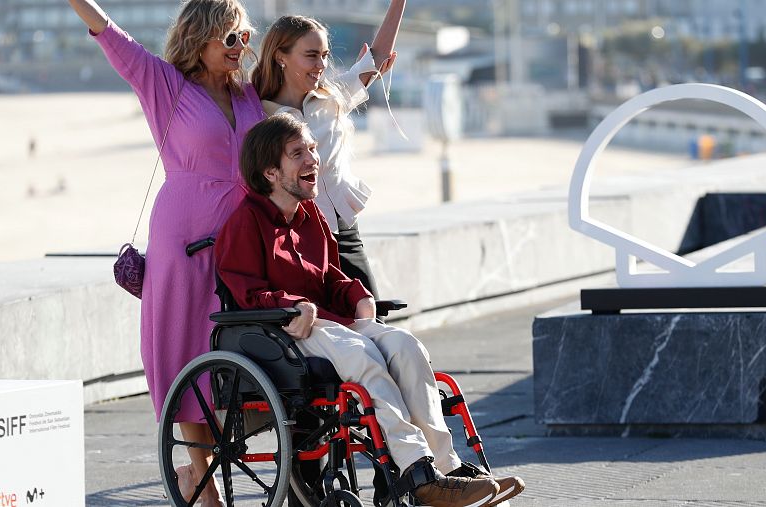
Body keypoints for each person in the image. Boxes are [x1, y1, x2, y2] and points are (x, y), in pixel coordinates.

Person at [215, 114, 525, 507]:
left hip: (334, 325)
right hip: (285, 335)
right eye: (299, 154)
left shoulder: (312, 218)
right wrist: (293, 307)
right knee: (362, 355)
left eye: (312, 149)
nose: (313, 159)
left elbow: (330, 279)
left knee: (405, 345)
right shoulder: (244, 222)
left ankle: (444, 468)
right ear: (271, 172)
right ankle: (417, 471)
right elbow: (247, 293)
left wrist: (358, 296)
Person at [66, 0, 267, 504]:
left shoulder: (249, 95)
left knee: (242, 353)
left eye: (245, 37)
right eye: (230, 39)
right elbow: (110, 35)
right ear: (200, 38)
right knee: (190, 356)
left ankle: (204, 467)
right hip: (184, 242)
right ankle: (204, 483)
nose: (241, 47)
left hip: (244, 238)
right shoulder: (167, 87)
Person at [251, 5, 405, 298]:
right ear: (280, 57)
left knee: (371, 319)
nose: (321, 64)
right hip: (300, 237)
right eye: (311, 55)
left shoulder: (333, 97)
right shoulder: (258, 115)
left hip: (346, 231)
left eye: (324, 55)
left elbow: (378, 57)